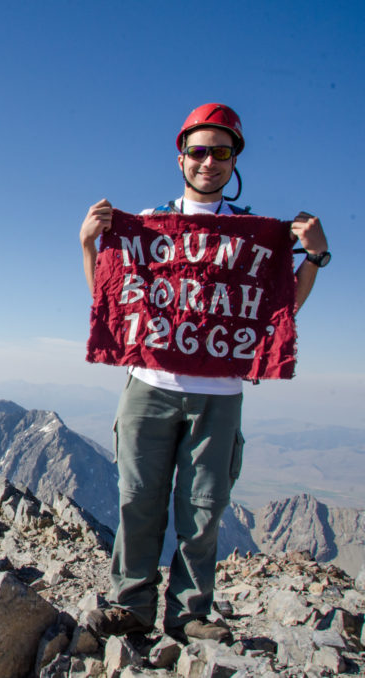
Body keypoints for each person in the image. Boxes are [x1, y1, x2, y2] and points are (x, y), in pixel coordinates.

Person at [78, 103, 330, 643]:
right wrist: (89, 243)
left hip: (218, 395)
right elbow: (113, 302)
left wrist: (313, 258)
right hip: (150, 386)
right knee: (137, 498)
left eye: (222, 151)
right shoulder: (147, 224)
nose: (209, 162)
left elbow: (276, 311)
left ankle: (189, 613)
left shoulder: (253, 236)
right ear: (181, 158)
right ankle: (132, 605)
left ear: (235, 159)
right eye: (199, 151)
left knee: (204, 506)